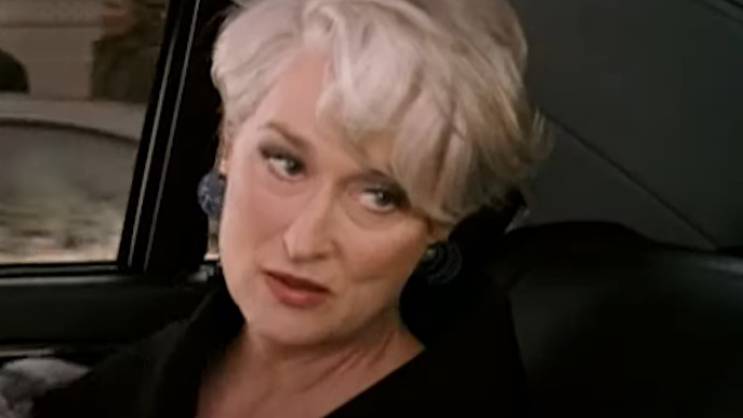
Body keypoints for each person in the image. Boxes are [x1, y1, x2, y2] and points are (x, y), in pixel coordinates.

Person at [32, 0, 548, 416]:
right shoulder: (150, 372)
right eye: (286, 163)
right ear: (228, 142)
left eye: (380, 196)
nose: (304, 242)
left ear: (442, 219)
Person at [90, 0, 165, 103]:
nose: (104, 14)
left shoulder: (149, 58)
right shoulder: (106, 50)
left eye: (114, 7)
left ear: (138, 15)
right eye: (105, 6)